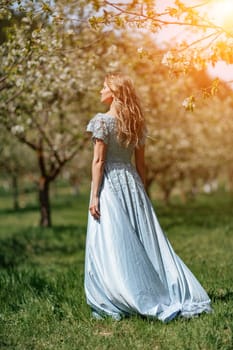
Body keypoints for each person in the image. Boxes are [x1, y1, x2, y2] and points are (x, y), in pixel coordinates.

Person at [84, 72, 212, 322]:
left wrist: (95, 196)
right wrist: (142, 193)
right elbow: (141, 165)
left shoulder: (101, 122)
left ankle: (116, 294)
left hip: (109, 183)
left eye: (104, 87)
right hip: (132, 183)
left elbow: (99, 161)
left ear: (115, 93)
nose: (100, 91)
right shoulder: (136, 123)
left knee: (113, 240)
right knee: (142, 239)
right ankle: (150, 286)